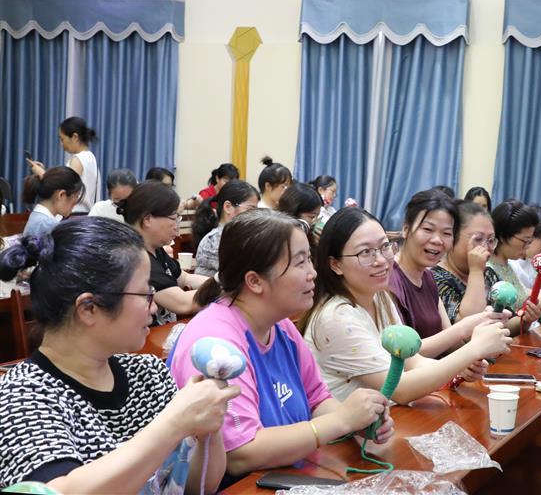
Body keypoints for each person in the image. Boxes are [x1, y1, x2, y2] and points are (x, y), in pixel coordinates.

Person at [0, 217, 238, 493]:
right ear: (89, 308)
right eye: (145, 293)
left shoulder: (148, 372)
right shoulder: (22, 395)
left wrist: (208, 431)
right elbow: (57, 490)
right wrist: (175, 422)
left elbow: (196, 487)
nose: (153, 307)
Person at [168, 210, 394, 482]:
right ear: (255, 281)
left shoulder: (280, 325)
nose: (313, 273)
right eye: (300, 263)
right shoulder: (216, 345)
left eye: (309, 259)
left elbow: (317, 399)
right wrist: (341, 421)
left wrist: (359, 420)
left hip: (289, 476)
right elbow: (240, 454)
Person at [299, 207, 512, 403]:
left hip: (384, 420)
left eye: (384, 247)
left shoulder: (379, 296)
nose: (381, 260)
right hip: (353, 430)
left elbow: (411, 360)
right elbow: (399, 389)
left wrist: (457, 367)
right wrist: (472, 351)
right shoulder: (336, 318)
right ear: (335, 264)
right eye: (365, 252)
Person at [390, 190, 508, 355]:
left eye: (446, 233)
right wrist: (466, 332)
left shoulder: (427, 277)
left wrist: (484, 325)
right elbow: (400, 353)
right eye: (428, 229)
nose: (437, 240)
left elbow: (451, 344)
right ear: (406, 229)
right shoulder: (388, 280)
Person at [121, 181, 208, 325]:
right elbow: (183, 303)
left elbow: (185, 278)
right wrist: (226, 287)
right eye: (174, 218)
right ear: (147, 219)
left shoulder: (155, 249)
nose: (176, 226)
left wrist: (220, 283)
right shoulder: (136, 258)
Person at [433, 201, 500, 322]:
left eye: (491, 240)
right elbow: (470, 325)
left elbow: (506, 320)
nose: (486, 247)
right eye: (478, 239)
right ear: (452, 237)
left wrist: (524, 319)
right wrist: (476, 270)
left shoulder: (489, 274)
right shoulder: (436, 279)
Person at [486, 199, 541, 334]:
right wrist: (526, 319)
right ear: (503, 236)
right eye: (525, 241)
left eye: (530, 241)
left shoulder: (509, 264)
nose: (527, 247)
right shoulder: (487, 271)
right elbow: (493, 327)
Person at [27, 117, 100, 213]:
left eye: (62, 139)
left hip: (74, 213)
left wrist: (41, 173)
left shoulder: (78, 159)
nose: (61, 144)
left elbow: (64, 188)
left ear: (75, 137)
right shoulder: (91, 158)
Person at [192, 180, 259, 277]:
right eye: (251, 209)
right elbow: (238, 274)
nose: (255, 215)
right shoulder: (213, 240)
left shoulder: (241, 235)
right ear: (228, 207)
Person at [21, 167, 84, 238]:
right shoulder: (47, 225)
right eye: (76, 196)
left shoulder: (40, 218)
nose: (76, 202)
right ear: (61, 195)